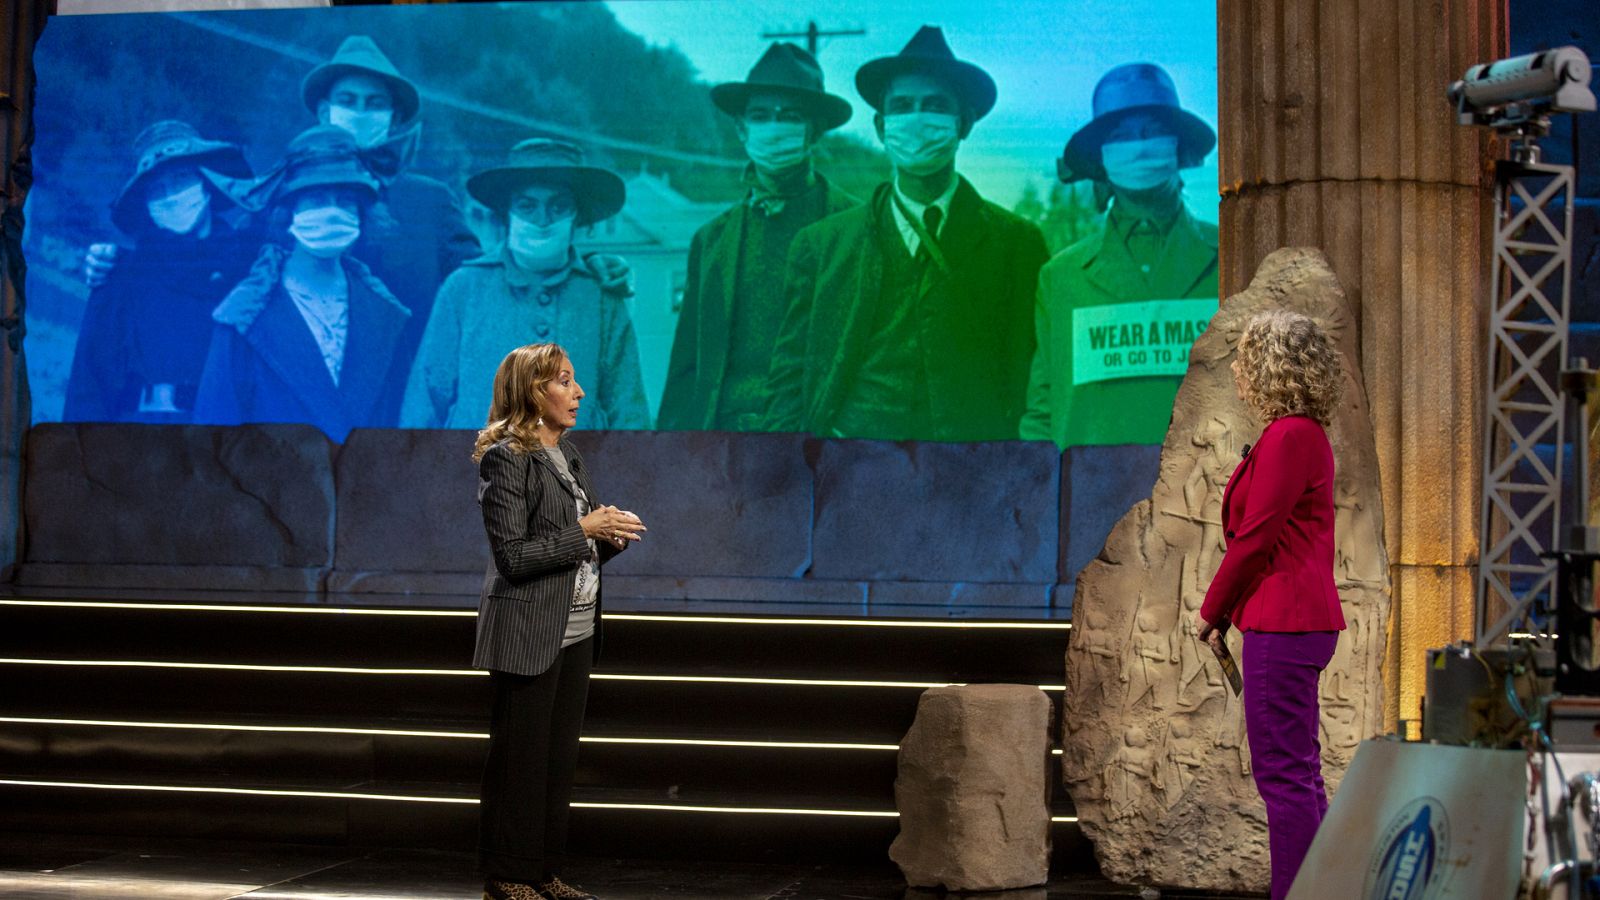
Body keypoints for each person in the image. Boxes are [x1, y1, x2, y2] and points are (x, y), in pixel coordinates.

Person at [763, 26, 1048, 442]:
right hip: (853, 464)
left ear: (964, 123)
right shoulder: (822, 246)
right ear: (881, 127)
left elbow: (1030, 380)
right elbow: (789, 381)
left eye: (935, 105)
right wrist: (783, 469)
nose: (916, 119)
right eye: (902, 106)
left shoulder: (1017, 244)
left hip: (971, 466)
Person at [472, 342, 646, 900]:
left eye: (574, 380)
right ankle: (507, 877)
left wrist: (609, 537)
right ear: (532, 390)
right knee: (519, 763)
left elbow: (573, 547)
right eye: (565, 381)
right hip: (528, 632)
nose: (579, 392)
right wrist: (585, 531)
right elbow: (513, 556)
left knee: (555, 762)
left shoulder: (568, 455)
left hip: (576, 632)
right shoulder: (506, 458)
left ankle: (544, 872)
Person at [1193, 310, 1347, 900]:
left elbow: (1256, 538)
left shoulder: (1289, 436)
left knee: (1284, 777)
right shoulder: (1299, 435)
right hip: (1295, 621)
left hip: (1284, 624)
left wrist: (1213, 610)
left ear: (1269, 367)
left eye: (1245, 359)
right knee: (1298, 774)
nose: (1237, 370)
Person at [655, 42, 856, 431]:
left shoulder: (855, 227)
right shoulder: (712, 241)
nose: (774, 128)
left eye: (790, 116)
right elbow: (686, 369)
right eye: (760, 116)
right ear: (741, 128)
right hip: (728, 443)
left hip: (822, 443)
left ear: (814, 130)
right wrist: (670, 454)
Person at [1022, 62, 1220, 448]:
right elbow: (1042, 417)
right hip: (1092, 486)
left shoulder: (1230, 260)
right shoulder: (1061, 277)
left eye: (1153, 131)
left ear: (1179, 146)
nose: (1139, 146)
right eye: (1121, 136)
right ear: (1101, 156)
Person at [401, 138, 648, 431]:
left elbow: (629, 411)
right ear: (507, 213)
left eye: (559, 206)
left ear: (577, 215)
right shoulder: (464, 290)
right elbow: (425, 403)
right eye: (527, 206)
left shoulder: (601, 297)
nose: (542, 219)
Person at [194, 125, 411, 442]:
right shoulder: (244, 314)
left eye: (345, 200)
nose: (332, 212)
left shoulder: (384, 313)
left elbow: (401, 427)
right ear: (290, 209)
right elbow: (214, 434)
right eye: (316, 199)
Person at [63, 120, 258, 423]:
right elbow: (88, 386)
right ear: (146, 204)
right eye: (157, 188)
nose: (170, 195)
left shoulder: (246, 270)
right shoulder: (122, 274)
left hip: (224, 436)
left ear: (206, 182)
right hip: (139, 435)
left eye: (181, 178)